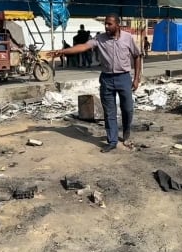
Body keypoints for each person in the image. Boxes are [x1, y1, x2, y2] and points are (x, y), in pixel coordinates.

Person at [50, 14, 142, 153]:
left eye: (109, 24)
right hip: (107, 79)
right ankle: (112, 141)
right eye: (105, 23)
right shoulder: (100, 39)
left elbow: (137, 56)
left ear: (117, 24)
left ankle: (126, 133)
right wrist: (62, 51)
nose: (106, 26)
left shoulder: (127, 38)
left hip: (124, 78)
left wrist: (136, 79)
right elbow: (83, 47)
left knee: (127, 109)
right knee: (109, 112)